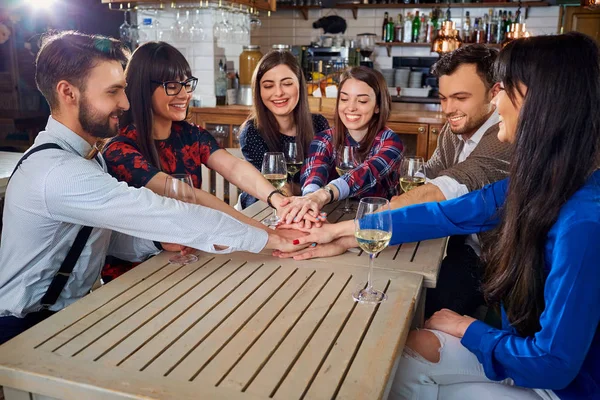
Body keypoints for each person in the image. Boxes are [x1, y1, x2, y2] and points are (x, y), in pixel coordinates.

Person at [289, 32, 600, 399]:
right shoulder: (544, 181)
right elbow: (449, 215)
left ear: (542, 102)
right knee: (399, 356)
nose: (497, 102)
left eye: (504, 88)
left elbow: (553, 364)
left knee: (392, 366)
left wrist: (466, 327)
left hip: (560, 387)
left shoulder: (584, 222)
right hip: (519, 344)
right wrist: (344, 233)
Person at [0, 31, 301, 345]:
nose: (125, 103)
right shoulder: (59, 172)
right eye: (113, 91)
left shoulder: (82, 156)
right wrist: (272, 238)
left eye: (125, 90)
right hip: (25, 327)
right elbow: (166, 211)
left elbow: (99, 238)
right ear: (68, 92)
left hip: (71, 313)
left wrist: (156, 243)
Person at [278, 45, 511, 320]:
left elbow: (440, 191)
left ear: (495, 92)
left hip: (488, 260)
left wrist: (347, 230)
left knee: (402, 310)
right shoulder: (455, 127)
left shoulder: (503, 135)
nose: (448, 109)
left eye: (460, 97)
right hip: (445, 237)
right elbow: (427, 176)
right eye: (444, 98)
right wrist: (350, 236)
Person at [101, 42, 317, 281]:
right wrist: (267, 235)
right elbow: (189, 197)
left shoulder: (190, 134)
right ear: (143, 89)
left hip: (187, 261)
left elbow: (233, 167)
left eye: (186, 84)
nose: (184, 94)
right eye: (172, 86)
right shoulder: (121, 149)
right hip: (135, 274)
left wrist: (277, 200)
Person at [298, 66, 404, 213]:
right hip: (331, 217)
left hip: (378, 219)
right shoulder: (324, 139)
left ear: (378, 106)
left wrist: (324, 194)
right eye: (344, 99)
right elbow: (313, 172)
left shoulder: (390, 142)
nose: (351, 107)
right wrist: (309, 201)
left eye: (362, 101)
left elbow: (368, 172)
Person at [239, 50, 330, 209]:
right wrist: (310, 190)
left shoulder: (319, 124)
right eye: (268, 86)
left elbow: (327, 179)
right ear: (259, 92)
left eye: (287, 83)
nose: (278, 92)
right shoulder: (252, 132)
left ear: (300, 86)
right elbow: (278, 189)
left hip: (307, 207)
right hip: (260, 211)